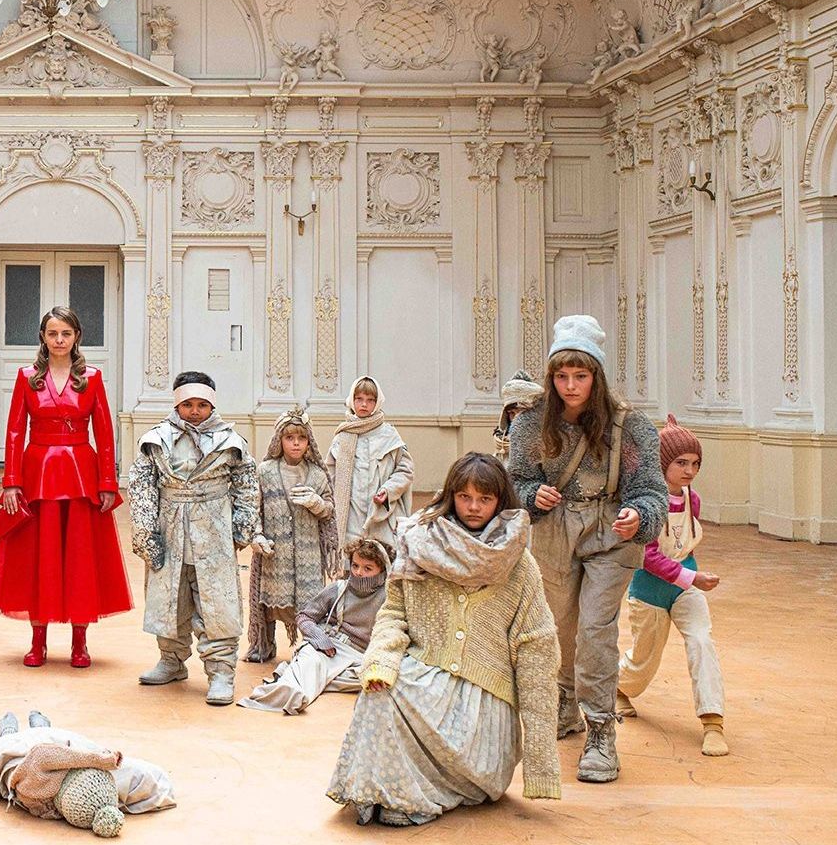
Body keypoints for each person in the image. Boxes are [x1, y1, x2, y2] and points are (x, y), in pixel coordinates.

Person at [326, 453, 562, 826]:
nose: (473, 507)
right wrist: (382, 661)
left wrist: (540, 762)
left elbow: (538, 654)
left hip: (484, 702)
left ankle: (406, 796)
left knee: (420, 719)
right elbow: (394, 613)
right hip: (425, 678)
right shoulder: (418, 544)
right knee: (378, 692)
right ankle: (382, 791)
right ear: (450, 496)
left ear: (500, 501)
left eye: (485, 499)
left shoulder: (519, 564)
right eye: (465, 496)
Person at [508, 314, 668, 783]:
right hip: (554, 531)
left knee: (596, 628)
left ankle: (601, 729)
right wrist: (531, 495)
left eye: (580, 375)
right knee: (559, 623)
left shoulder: (629, 427)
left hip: (610, 533)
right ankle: (564, 699)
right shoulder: (531, 423)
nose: (571, 386)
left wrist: (639, 514)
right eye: (562, 376)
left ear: (596, 375)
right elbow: (514, 481)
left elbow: (652, 491)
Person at [0, 306, 131, 669]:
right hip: (38, 473)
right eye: (53, 333)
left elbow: (105, 433)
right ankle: (38, 642)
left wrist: (108, 482)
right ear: (43, 337)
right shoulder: (26, 377)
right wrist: (11, 483)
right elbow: (15, 431)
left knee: (81, 557)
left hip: (81, 473)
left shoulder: (92, 377)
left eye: (66, 333)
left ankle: (80, 642)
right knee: (39, 556)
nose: (59, 340)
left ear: (76, 336)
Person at [128, 371, 259, 705]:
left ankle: (221, 671)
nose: (195, 411)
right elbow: (142, 484)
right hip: (170, 529)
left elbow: (246, 482)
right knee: (170, 598)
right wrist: (145, 530)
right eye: (188, 405)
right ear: (177, 405)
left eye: (202, 404)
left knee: (216, 602)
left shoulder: (229, 441)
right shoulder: (157, 439)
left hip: (213, 530)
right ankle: (171, 660)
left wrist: (242, 524)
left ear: (212, 405)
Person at [617, 415, 728, 757]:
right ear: (662, 462)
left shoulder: (694, 500)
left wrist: (690, 578)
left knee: (701, 641)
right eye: (681, 463)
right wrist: (692, 577)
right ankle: (618, 688)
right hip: (649, 591)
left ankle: (713, 721)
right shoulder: (646, 504)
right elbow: (648, 556)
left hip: (686, 588)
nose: (689, 470)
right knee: (645, 659)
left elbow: (684, 544)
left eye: (695, 463)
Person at [0, 711, 177, 837]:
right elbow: (152, 780)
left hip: (21, 760)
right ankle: (41, 725)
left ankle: (15, 729)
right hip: (54, 751)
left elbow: (42, 754)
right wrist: (101, 760)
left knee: (10, 742)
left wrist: (97, 759)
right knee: (54, 738)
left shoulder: (35, 787)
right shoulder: (87, 804)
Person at [239, 538, 390, 714]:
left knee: (376, 678)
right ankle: (290, 692)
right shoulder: (339, 588)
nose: (358, 573)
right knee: (312, 660)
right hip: (329, 647)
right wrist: (319, 638)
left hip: (361, 657)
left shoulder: (389, 597)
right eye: (355, 566)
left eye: (367, 568)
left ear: (383, 570)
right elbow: (305, 616)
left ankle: (301, 674)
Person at [246, 405, 337, 663]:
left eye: (301, 438)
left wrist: (316, 503)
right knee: (268, 602)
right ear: (279, 440)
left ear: (309, 442)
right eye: (289, 437)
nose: (296, 443)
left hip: (309, 556)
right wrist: (256, 536)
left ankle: (311, 646)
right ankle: (264, 643)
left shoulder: (318, 474)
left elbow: (329, 511)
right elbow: (254, 509)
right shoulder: (265, 471)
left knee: (310, 603)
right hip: (275, 555)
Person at [324, 375, 415, 552]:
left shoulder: (389, 435)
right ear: (352, 400)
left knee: (382, 559)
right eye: (359, 399)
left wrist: (388, 491)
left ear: (377, 402)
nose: (364, 404)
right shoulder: (342, 437)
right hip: (350, 517)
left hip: (381, 516)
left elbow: (406, 470)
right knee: (351, 560)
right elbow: (329, 477)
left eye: (370, 400)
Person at [493, 371, 542, 460]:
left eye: (522, 412)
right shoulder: (501, 446)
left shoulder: (547, 442)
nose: (516, 418)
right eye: (512, 413)